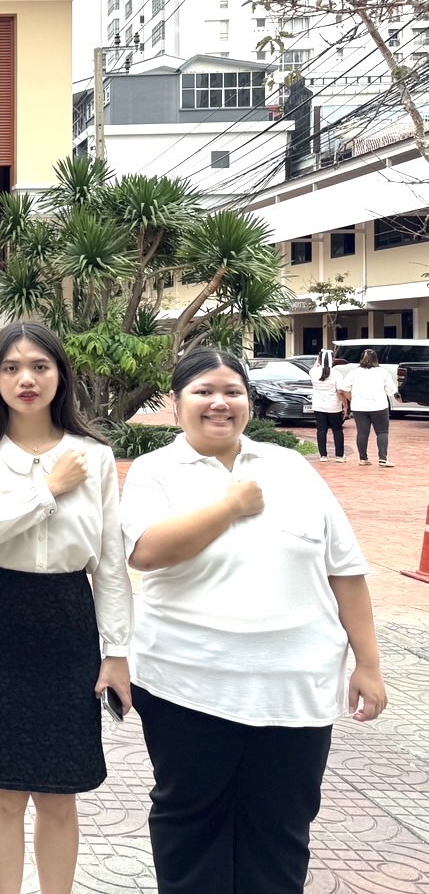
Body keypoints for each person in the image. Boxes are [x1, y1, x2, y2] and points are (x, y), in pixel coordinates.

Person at [120, 348, 387, 894]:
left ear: (248, 400)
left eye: (232, 392)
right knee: (191, 825)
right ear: (176, 403)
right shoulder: (155, 470)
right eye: (203, 392)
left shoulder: (290, 467)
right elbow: (146, 551)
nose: (219, 403)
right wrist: (229, 506)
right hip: (187, 684)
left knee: (281, 829)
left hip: (294, 687)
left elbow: (345, 569)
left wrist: (369, 664)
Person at [0, 322, 131, 894]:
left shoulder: (94, 455)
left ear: (60, 374)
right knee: (3, 788)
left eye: (39, 366)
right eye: (11, 367)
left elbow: (109, 564)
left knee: (59, 790)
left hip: (67, 619)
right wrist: (48, 488)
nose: (25, 379)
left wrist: (116, 652)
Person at [340, 347, 398, 467]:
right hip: (379, 406)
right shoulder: (383, 372)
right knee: (382, 432)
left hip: (359, 407)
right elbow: (391, 390)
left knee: (362, 433)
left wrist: (352, 399)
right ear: (376, 359)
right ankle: (383, 459)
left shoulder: (353, 372)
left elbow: (344, 389)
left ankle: (363, 458)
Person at [309, 350, 347, 463]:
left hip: (318, 406)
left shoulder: (313, 372)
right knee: (337, 430)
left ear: (319, 359)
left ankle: (323, 456)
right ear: (333, 359)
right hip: (334, 406)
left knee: (321, 430)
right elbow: (340, 391)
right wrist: (345, 405)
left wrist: (319, 359)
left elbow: (316, 366)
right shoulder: (336, 374)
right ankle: (339, 456)